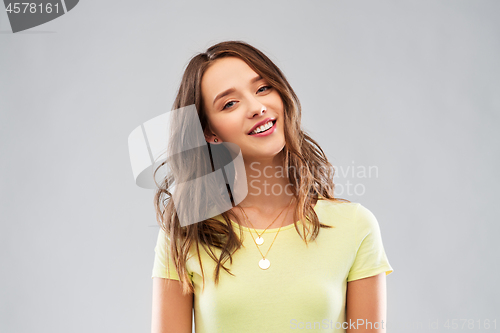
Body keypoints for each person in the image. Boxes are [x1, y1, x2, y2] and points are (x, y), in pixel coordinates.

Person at [151, 40, 394, 333]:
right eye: (230, 103)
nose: (256, 107)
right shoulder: (188, 231)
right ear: (209, 132)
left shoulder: (355, 225)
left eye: (263, 88)